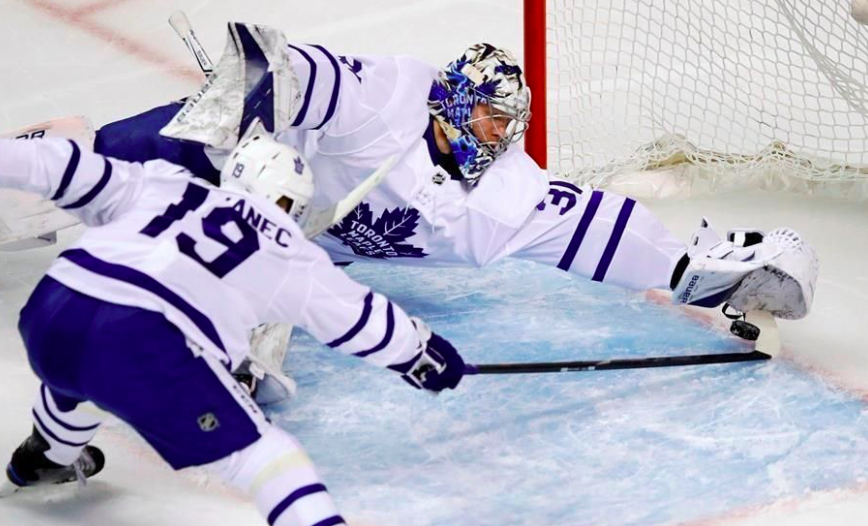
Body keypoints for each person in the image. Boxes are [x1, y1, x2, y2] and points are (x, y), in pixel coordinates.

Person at [93, 25, 818, 371]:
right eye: (489, 116)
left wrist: (697, 271)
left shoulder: (501, 196)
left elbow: (590, 228)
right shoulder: (389, 95)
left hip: (301, 250)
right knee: (109, 157)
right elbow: (275, 68)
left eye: (510, 124)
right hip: (239, 173)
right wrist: (239, 130)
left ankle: (233, 312)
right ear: (453, 101)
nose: (500, 134)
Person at [0, 134, 464, 526]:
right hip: (140, 339)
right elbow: (357, 317)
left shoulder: (165, 183)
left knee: (80, 376)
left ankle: (44, 456)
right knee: (267, 457)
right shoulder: (283, 244)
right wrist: (421, 355)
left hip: (52, 309)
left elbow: (58, 165)